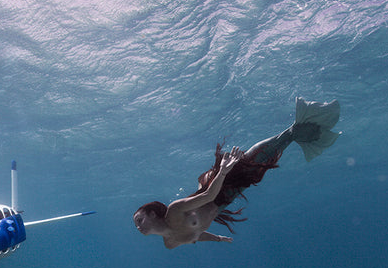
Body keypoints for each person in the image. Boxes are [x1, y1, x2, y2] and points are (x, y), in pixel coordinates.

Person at [133, 97, 341, 249]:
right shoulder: (170, 243)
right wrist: (217, 239)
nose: (138, 227)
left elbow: (208, 197)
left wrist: (223, 172)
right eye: (137, 224)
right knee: (257, 170)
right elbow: (194, 235)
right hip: (224, 201)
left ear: (153, 213)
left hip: (217, 190)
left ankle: (292, 130)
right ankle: (293, 135)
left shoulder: (175, 210)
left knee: (250, 161)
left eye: (139, 220)